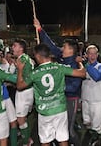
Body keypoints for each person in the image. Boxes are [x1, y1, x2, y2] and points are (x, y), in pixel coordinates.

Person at [16, 43, 86, 146]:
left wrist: (20, 69)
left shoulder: (35, 73)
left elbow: (19, 86)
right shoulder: (59, 67)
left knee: (45, 141)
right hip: (60, 109)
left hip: (45, 112)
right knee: (63, 140)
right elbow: (82, 73)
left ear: (39, 56)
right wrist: (80, 63)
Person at [34, 18, 84, 146]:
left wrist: (57, 87)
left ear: (71, 51)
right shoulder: (62, 58)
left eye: (65, 47)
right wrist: (40, 29)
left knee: (68, 130)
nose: (62, 48)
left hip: (70, 100)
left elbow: (73, 87)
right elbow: (50, 45)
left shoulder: (74, 65)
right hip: (59, 100)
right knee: (59, 130)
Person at [81, 45, 101, 145]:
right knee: (87, 123)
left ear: (97, 55)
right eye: (90, 53)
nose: (92, 55)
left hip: (97, 102)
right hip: (85, 101)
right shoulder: (82, 67)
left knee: (97, 127)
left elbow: (96, 76)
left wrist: (85, 64)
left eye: (94, 53)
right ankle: (93, 139)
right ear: (86, 55)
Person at [11, 38, 35, 146]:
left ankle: (27, 142)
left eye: (14, 46)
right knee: (23, 118)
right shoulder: (25, 58)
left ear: (21, 48)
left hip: (23, 92)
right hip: (28, 91)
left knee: (20, 120)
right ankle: (27, 138)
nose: (12, 47)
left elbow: (22, 77)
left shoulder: (22, 59)